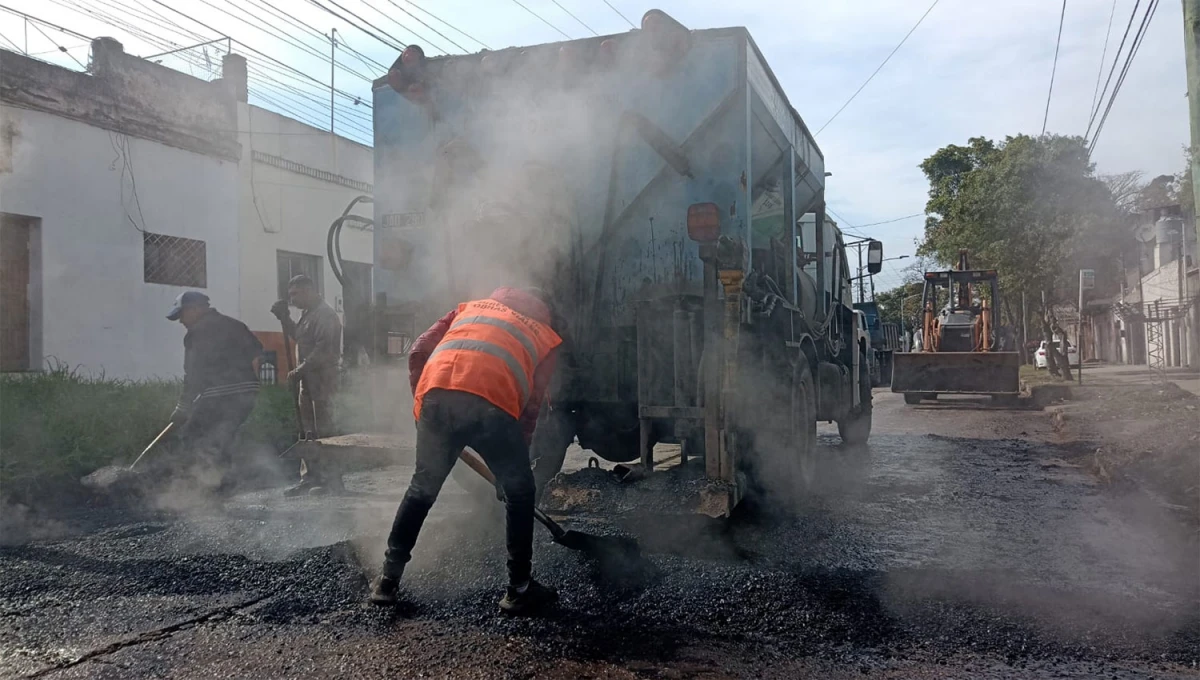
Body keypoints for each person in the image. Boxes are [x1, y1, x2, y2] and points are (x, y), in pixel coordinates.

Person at [370, 287, 563, 616]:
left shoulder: (468, 309)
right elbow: (531, 407)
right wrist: (513, 472)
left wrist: (424, 407)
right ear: (543, 311)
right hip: (491, 405)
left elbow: (417, 352)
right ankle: (519, 590)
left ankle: (387, 582)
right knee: (521, 491)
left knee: (421, 489)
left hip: (435, 398)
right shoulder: (544, 336)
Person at [167, 291, 262, 488]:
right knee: (222, 437)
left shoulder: (196, 333)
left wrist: (182, 406)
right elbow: (256, 354)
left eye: (181, 315)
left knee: (192, 435)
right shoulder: (236, 325)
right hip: (247, 395)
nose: (181, 321)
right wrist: (251, 386)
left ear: (194, 309)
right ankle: (222, 483)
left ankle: (198, 484)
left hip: (219, 394)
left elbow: (193, 374)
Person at [271, 274, 343, 495]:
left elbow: (324, 350)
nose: (292, 299)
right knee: (307, 432)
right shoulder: (308, 316)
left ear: (309, 291)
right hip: (308, 382)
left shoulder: (326, 315)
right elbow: (302, 339)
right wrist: (285, 319)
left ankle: (332, 481)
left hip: (323, 381)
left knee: (324, 432)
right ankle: (310, 478)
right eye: (290, 295)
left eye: (296, 294)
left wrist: (299, 370)